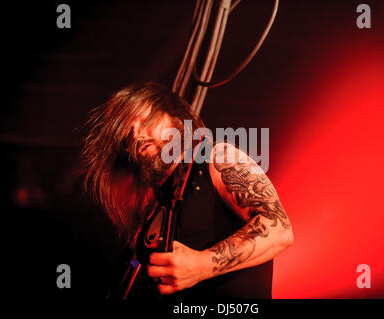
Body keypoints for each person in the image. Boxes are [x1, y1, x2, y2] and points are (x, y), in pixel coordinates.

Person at [81, 82, 293, 299]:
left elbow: (279, 230)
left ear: (175, 120)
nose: (136, 135)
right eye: (128, 131)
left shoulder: (218, 157)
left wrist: (202, 264)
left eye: (145, 121)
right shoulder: (155, 205)